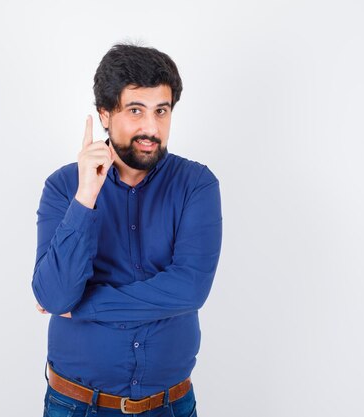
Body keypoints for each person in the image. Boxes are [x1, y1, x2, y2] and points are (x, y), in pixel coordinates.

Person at [32, 43, 222, 417]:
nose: (151, 128)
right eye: (136, 111)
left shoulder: (196, 185)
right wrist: (86, 196)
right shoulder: (63, 187)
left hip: (169, 405)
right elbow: (54, 296)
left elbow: (189, 289)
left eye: (161, 111)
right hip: (76, 406)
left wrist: (84, 307)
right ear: (105, 114)